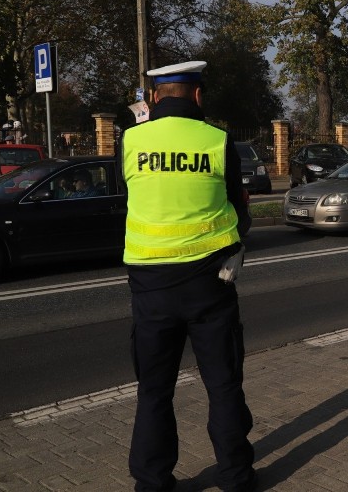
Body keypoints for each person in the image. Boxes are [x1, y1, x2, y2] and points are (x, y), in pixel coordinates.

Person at [118, 61, 256, 492]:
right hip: (210, 283)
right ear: (197, 96)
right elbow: (239, 207)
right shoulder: (218, 140)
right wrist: (236, 239)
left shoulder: (129, 140)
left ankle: (152, 481)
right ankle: (235, 478)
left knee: (154, 390)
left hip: (150, 286)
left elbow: (129, 198)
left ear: (156, 97)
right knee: (223, 384)